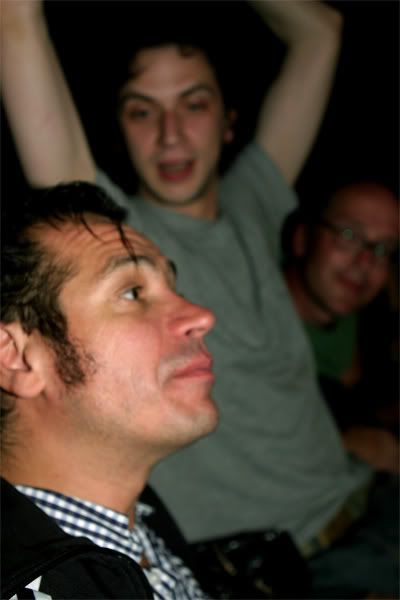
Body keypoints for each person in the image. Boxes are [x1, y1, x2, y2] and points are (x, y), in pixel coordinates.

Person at [2, 0, 399, 596]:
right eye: (142, 111)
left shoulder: (256, 201)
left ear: (229, 120)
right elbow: (15, 20)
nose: (170, 134)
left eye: (194, 104)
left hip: (370, 498)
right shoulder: (109, 235)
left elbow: (322, 30)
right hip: (302, 568)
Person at [1, 182, 218, 599]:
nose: (201, 316)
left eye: (174, 288)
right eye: (132, 293)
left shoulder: (135, 523)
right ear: (17, 358)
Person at [283, 181, 400, 472]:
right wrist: (341, 441)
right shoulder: (248, 321)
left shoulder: (363, 323)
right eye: (349, 235)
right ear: (302, 238)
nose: (366, 261)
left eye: (383, 249)